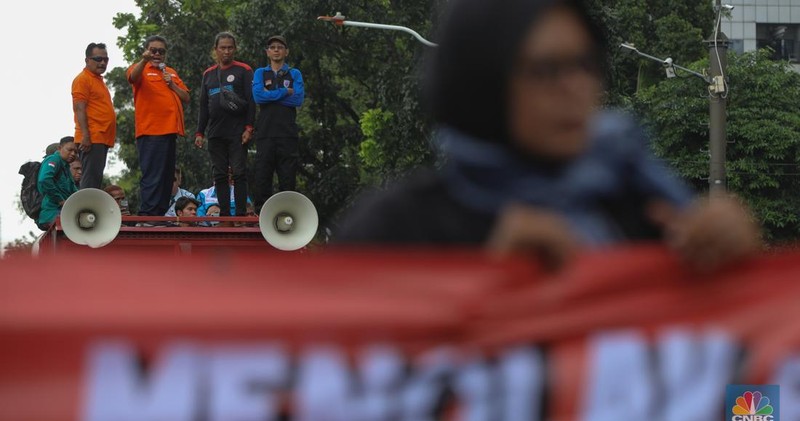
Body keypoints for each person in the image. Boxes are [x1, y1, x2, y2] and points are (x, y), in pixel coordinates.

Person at [335, 0, 761, 272]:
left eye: (584, 64)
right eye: (546, 70)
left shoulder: (645, 212)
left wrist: (732, 269)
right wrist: (486, 285)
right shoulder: (396, 231)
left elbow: (749, 404)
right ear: (479, 83)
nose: (575, 88)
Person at [195, 31, 256, 224]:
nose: (226, 51)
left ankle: (240, 215)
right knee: (219, 173)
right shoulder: (208, 74)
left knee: (239, 172)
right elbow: (203, 106)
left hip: (238, 132)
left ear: (235, 49)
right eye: (223, 48)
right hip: (215, 132)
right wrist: (199, 132)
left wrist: (249, 128)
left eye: (230, 47)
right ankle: (225, 217)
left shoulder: (244, 70)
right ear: (216, 50)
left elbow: (251, 101)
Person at [126, 35, 190, 217]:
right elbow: (132, 77)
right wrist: (144, 60)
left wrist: (172, 85)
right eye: (153, 50)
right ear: (146, 51)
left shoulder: (170, 72)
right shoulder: (141, 68)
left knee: (166, 177)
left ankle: (159, 215)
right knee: (152, 175)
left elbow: (186, 97)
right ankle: (148, 215)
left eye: (161, 51)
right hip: (151, 131)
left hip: (170, 131)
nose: (157, 54)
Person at [252, 35, 305, 213]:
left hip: (287, 133)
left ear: (286, 51)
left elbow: (297, 99)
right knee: (262, 176)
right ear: (267, 52)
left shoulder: (294, 73)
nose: (276, 50)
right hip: (265, 133)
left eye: (280, 47)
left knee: (288, 178)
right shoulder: (260, 72)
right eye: (272, 47)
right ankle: (261, 216)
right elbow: (258, 97)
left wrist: (271, 96)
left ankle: (288, 215)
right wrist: (284, 92)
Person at [72, 42, 116, 190]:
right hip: (92, 137)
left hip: (101, 138)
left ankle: (89, 208)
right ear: (87, 60)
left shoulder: (98, 80)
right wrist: (85, 136)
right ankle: (86, 211)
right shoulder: (83, 79)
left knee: (95, 180)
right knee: (90, 182)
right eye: (98, 59)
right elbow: (79, 108)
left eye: (105, 59)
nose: (102, 62)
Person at [36, 136, 78, 231]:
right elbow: (44, 180)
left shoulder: (66, 167)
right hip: (52, 214)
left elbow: (74, 191)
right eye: (70, 150)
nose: (73, 154)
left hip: (64, 214)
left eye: (76, 152)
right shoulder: (54, 159)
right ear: (59, 148)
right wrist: (60, 200)